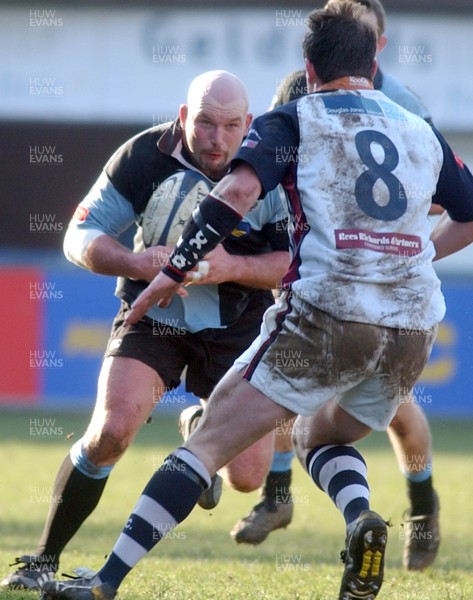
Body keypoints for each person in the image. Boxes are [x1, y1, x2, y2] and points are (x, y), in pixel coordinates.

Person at [40, 4, 473, 600]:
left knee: (208, 443)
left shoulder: (295, 117)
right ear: (374, 62)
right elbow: (469, 211)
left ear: (308, 65)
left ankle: (103, 581)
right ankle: (361, 523)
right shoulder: (417, 126)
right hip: (413, 328)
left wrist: (177, 268)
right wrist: (409, 254)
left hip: (328, 316)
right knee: (319, 440)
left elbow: (238, 191)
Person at [1, 70, 290, 591]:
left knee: (247, 477)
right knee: (110, 433)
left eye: (229, 126)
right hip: (152, 317)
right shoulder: (143, 156)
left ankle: (199, 424)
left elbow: (291, 263)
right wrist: (136, 262)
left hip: (237, 325)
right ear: (184, 117)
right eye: (204, 122)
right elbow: (79, 235)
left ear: (247, 125)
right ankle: (43, 558)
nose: (216, 139)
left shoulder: (267, 170)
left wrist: (231, 268)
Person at [233, 1, 442, 574]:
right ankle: (277, 494)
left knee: (396, 411)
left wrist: (400, 246)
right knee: (282, 377)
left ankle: (423, 508)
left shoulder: (402, 105)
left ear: (379, 41)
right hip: (326, 271)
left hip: (390, 281)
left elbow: (443, 192)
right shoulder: (302, 91)